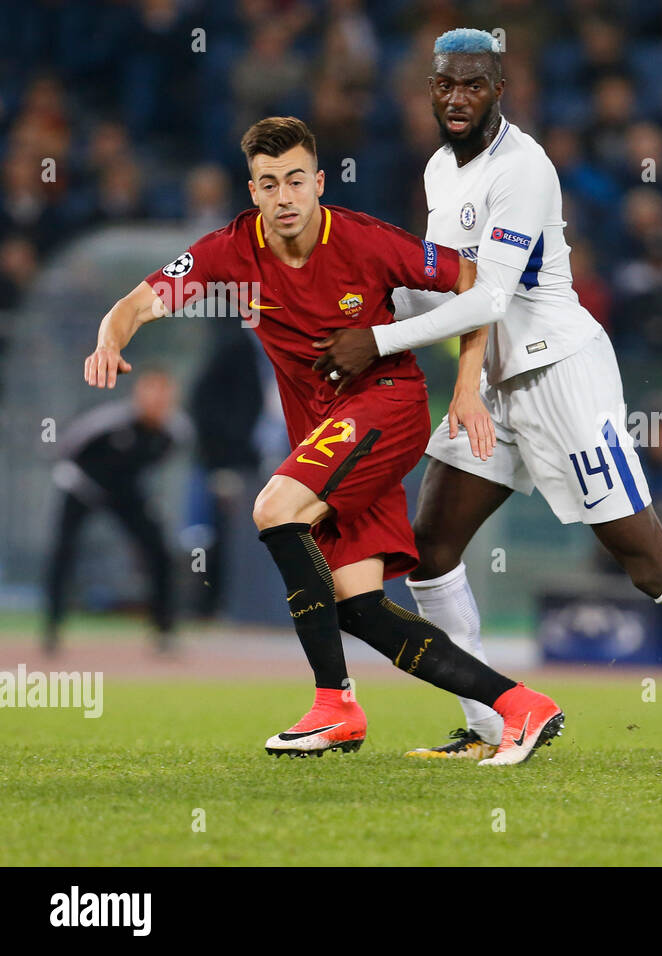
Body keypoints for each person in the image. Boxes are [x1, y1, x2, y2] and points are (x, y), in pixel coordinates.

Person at [312, 29, 662, 767]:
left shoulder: (525, 167)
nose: (457, 97)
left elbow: (492, 295)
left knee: (647, 561)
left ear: (501, 87)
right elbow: (449, 285)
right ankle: (488, 722)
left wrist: (374, 344)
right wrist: (372, 321)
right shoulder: (441, 168)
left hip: (560, 373)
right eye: (445, 84)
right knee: (432, 551)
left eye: (473, 83)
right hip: (496, 383)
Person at [82, 116, 563, 765]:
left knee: (274, 508)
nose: (284, 197)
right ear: (252, 191)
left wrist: (467, 386)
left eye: (296, 181)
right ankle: (521, 707)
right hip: (333, 438)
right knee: (360, 606)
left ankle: (334, 703)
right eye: (269, 183)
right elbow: (136, 303)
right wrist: (110, 342)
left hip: (386, 407)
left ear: (319, 183)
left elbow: (476, 284)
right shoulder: (228, 250)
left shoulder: (365, 241)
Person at [45, 371, 190, 654]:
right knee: (64, 551)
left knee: (159, 550)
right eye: (152, 391)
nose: (158, 400)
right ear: (138, 393)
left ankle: (164, 631)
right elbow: (67, 445)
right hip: (83, 487)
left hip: (126, 494)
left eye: (164, 393)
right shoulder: (111, 421)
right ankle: (52, 628)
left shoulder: (174, 431)